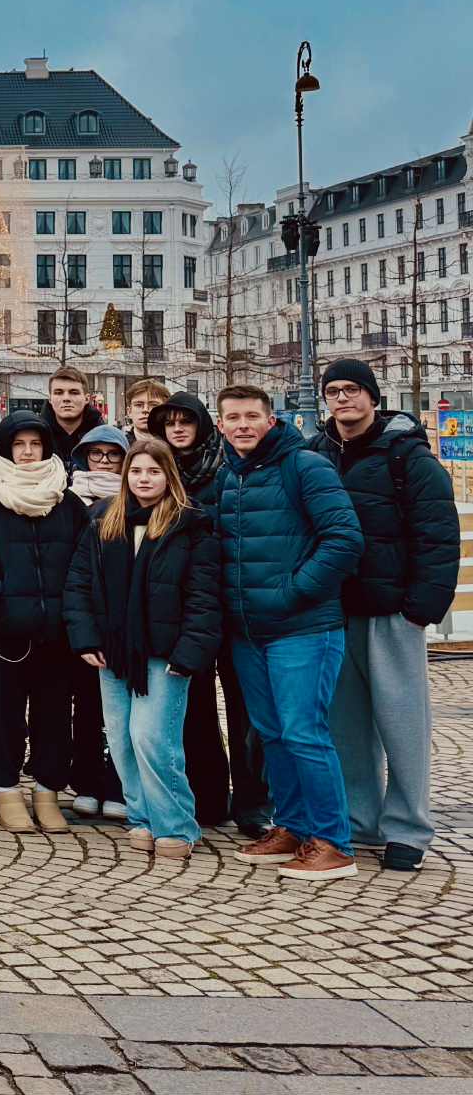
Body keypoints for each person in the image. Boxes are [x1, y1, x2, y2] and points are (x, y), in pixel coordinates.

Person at [213, 384, 364, 881]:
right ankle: (293, 827)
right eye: (232, 417)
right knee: (273, 734)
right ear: (221, 424)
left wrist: (295, 592)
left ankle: (332, 842)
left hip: (302, 627)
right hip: (249, 631)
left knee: (304, 732)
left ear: (271, 419)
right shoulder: (228, 477)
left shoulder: (305, 467)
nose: (242, 425)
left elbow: (344, 539)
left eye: (251, 416)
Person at [311, 359, 456, 872]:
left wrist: (423, 607)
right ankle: (360, 819)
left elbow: (438, 534)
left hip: (394, 609)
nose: (343, 399)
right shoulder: (317, 454)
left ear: (372, 396)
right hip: (336, 610)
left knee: (402, 723)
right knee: (345, 724)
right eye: (333, 390)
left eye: (352, 389)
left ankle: (409, 828)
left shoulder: (409, 457)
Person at [65, 439, 221, 861]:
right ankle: (142, 817)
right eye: (137, 471)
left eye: (153, 471)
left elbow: (204, 596)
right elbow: (79, 583)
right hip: (113, 651)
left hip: (164, 653)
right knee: (121, 739)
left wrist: (190, 652)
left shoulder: (190, 525)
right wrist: (86, 637)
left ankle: (176, 824)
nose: (144, 479)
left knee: (153, 739)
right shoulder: (103, 519)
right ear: (126, 476)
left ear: (168, 475)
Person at [0, 411, 92, 834]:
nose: (28, 453)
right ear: (7, 449)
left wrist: (71, 607)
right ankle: (6, 791)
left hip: (56, 631)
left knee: (53, 716)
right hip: (4, 630)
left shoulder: (66, 502)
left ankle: (47, 792)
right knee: (0, 715)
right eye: (19, 445)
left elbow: (85, 562)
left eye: (35, 445)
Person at [156, 389, 270, 838]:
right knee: (194, 708)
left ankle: (253, 803)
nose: (178, 429)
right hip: (189, 609)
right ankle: (207, 797)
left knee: (246, 709)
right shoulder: (161, 473)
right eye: (169, 423)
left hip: (237, 603)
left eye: (186, 421)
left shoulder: (229, 467)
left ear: (205, 424)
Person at [68, 423, 132, 819]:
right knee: (86, 705)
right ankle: (86, 780)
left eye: (113, 455)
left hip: (121, 615)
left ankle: (118, 784)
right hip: (83, 613)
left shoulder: (135, 496)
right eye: (97, 454)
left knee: (121, 711)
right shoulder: (69, 497)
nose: (105, 462)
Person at [45, 367, 103, 466]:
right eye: (58, 393)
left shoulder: (103, 437)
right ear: (50, 399)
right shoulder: (38, 436)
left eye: (74, 392)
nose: (66, 398)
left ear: (87, 399)